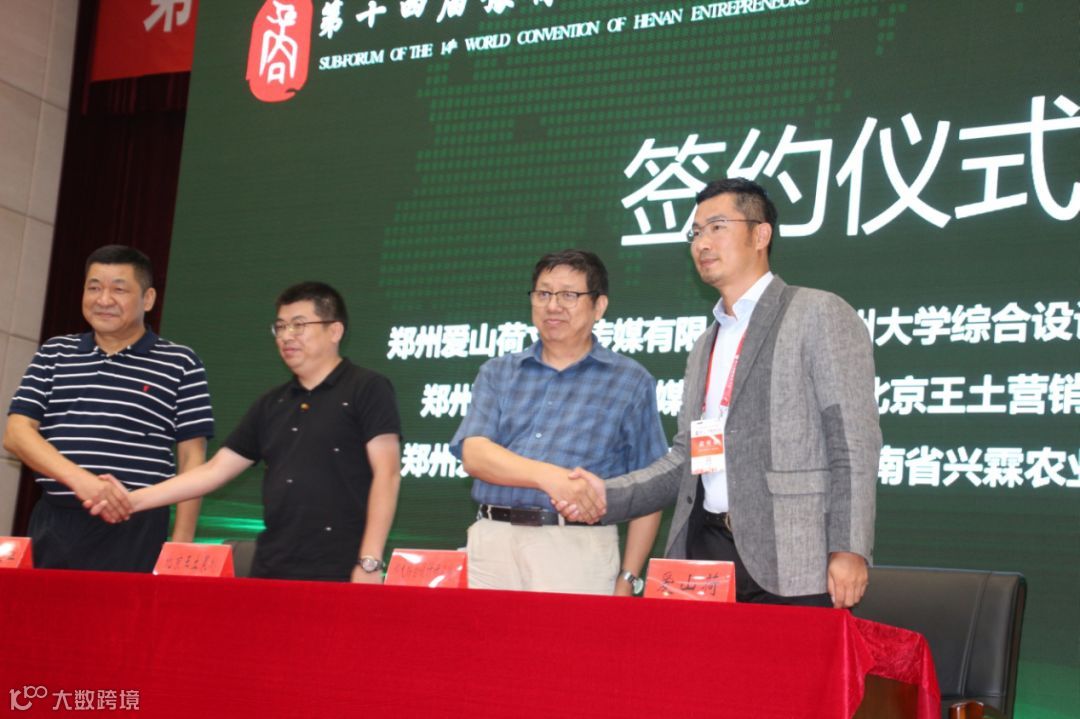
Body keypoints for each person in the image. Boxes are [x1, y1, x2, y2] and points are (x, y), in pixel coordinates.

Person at [561, 179, 880, 608]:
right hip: (707, 552)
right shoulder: (705, 345)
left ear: (760, 235)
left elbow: (852, 442)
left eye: (717, 227)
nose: (702, 243)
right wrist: (604, 495)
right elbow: (688, 457)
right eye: (696, 233)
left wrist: (849, 547)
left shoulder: (818, 313)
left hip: (795, 556)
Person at [89, 282, 402, 583]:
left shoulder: (367, 388)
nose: (286, 336)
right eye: (280, 327)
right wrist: (132, 500)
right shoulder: (272, 404)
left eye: (299, 325)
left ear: (334, 331)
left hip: (341, 568)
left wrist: (370, 560)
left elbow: (386, 474)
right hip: (272, 568)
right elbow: (214, 471)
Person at [450, 249, 668, 595]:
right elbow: (474, 455)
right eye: (543, 294)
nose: (553, 306)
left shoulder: (630, 380)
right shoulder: (497, 372)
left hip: (576, 549)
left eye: (569, 295)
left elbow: (649, 488)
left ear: (599, 306)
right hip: (491, 544)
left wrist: (628, 578)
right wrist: (553, 479)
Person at [3, 245, 214, 571]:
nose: (103, 300)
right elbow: (16, 434)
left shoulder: (180, 362)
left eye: (119, 289)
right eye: (94, 288)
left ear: (148, 299)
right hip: (55, 523)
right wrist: (82, 481)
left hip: (137, 528)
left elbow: (192, 459)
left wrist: (181, 544)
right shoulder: (54, 353)